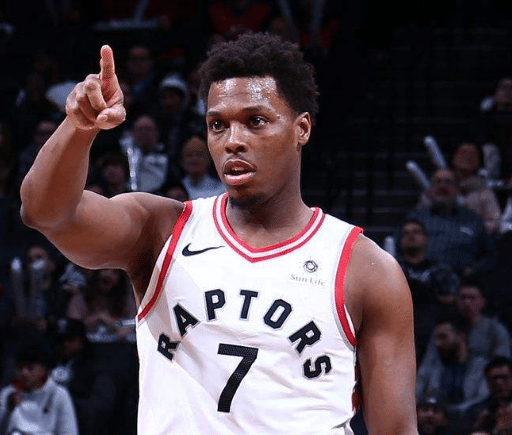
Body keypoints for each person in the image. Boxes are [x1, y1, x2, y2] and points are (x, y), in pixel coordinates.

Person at [20, 33, 418, 434]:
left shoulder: (365, 269)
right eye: (217, 125)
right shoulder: (160, 230)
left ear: (301, 129)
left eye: (255, 121)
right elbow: (46, 213)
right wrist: (78, 128)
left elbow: (396, 430)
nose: (233, 141)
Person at [405, 168, 495, 279]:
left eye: (448, 182)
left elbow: (489, 256)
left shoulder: (473, 219)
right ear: (430, 189)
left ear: (457, 189)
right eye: (438, 182)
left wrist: (473, 271)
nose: (442, 186)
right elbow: (398, 251)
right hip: (422, 280)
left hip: (462, 282)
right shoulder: (416, 218)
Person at [397, 218, 460, 361]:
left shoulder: (442, 270)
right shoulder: (392, 269)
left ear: (426, 238)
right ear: (400, 241)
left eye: (416, 232)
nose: (411, 236)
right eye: (406, 233)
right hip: (400, 321)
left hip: (433, 324)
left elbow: (452, 298)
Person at [0, 335, 78, 435]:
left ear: (43, 370)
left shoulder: (59, 394)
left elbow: (69, 432)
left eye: (30, 368)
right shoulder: (8, 393)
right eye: (20, 368)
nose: (24, 373)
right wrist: (8, 410)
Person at [416, 312, 489, 416]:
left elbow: (481, 399)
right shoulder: (431, 366)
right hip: (434, 416)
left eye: (443, 337)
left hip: (466, 417)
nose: (437, 343)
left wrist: (451, 413)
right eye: (436, 338)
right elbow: (416, 394)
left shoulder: (480, 366)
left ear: (461, 336)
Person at [461, 356, 512, 435]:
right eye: (494, 378)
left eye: (504, 377)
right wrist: (478, 425)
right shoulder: (475, 411)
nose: (499, 382)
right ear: (488, 381)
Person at [180, 134, 226, 200]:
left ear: (209, 159)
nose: (194, 159)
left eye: (199, 155)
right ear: (181, 160)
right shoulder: (175, 191)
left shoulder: (222, 190)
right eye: (189, 155)